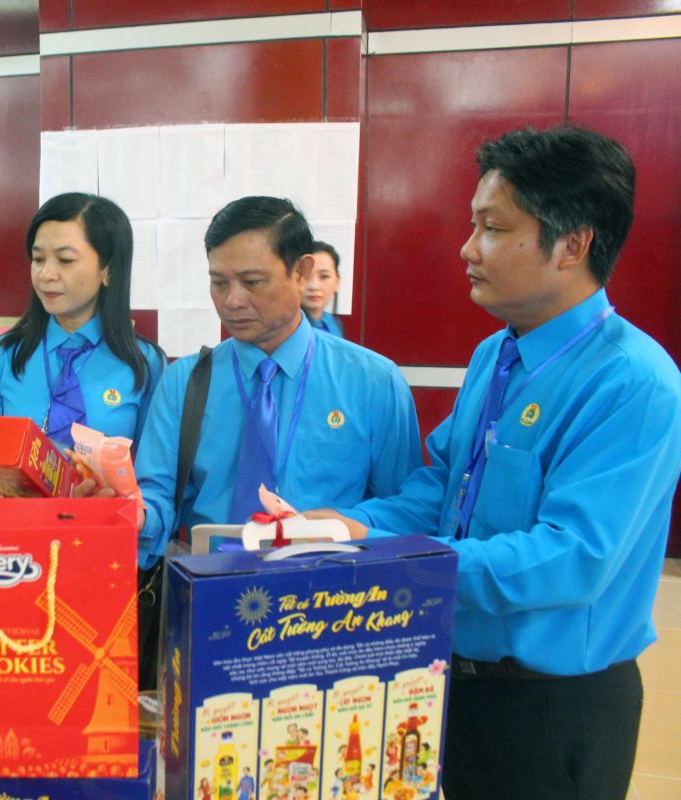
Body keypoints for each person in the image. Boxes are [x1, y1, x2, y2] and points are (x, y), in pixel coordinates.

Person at [312, 126, 681, 799]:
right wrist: (343, 529)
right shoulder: (495, 356)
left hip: (553, 708)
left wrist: (397, 568)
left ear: (571, 244)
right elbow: (441, 488)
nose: (466, 248)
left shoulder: (631, 383)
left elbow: (571, 557)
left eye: (491, 227)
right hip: (457, 682)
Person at [133, 196, 421, 571]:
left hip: (332, 596)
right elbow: (157, 497)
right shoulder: (185, 382)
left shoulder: (372, 381)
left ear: (301, 272)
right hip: (209, 590)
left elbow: (406, 506)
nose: (233, 300)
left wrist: (338, 525)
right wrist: (135, 516)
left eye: (252, 282)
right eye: (219, 282)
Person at [0, 192, 164, 448]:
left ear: (109, 270)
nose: (46, 274)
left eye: (65, 260)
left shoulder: (144, 363)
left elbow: (153, 473)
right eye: (38, 259)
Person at [301, 240, 344, 337]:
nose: (314, 286)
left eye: (324, 276)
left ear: (337, 281)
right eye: (306, 276)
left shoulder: (334, 324)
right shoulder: (283, 331)